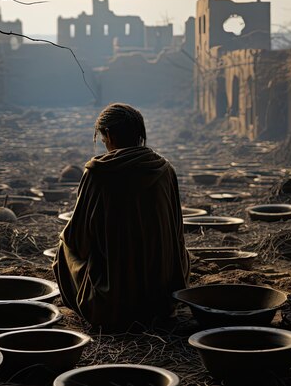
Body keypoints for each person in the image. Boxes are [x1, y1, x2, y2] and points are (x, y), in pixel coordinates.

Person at [52, 102, 190, 332]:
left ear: (110, 135)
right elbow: (177, 235)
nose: (104, 144)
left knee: (64, 246)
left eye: (103, 137)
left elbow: (78, 238)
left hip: (112, 304)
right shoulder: (166, 170)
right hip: (162, 298)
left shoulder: (99, 173)